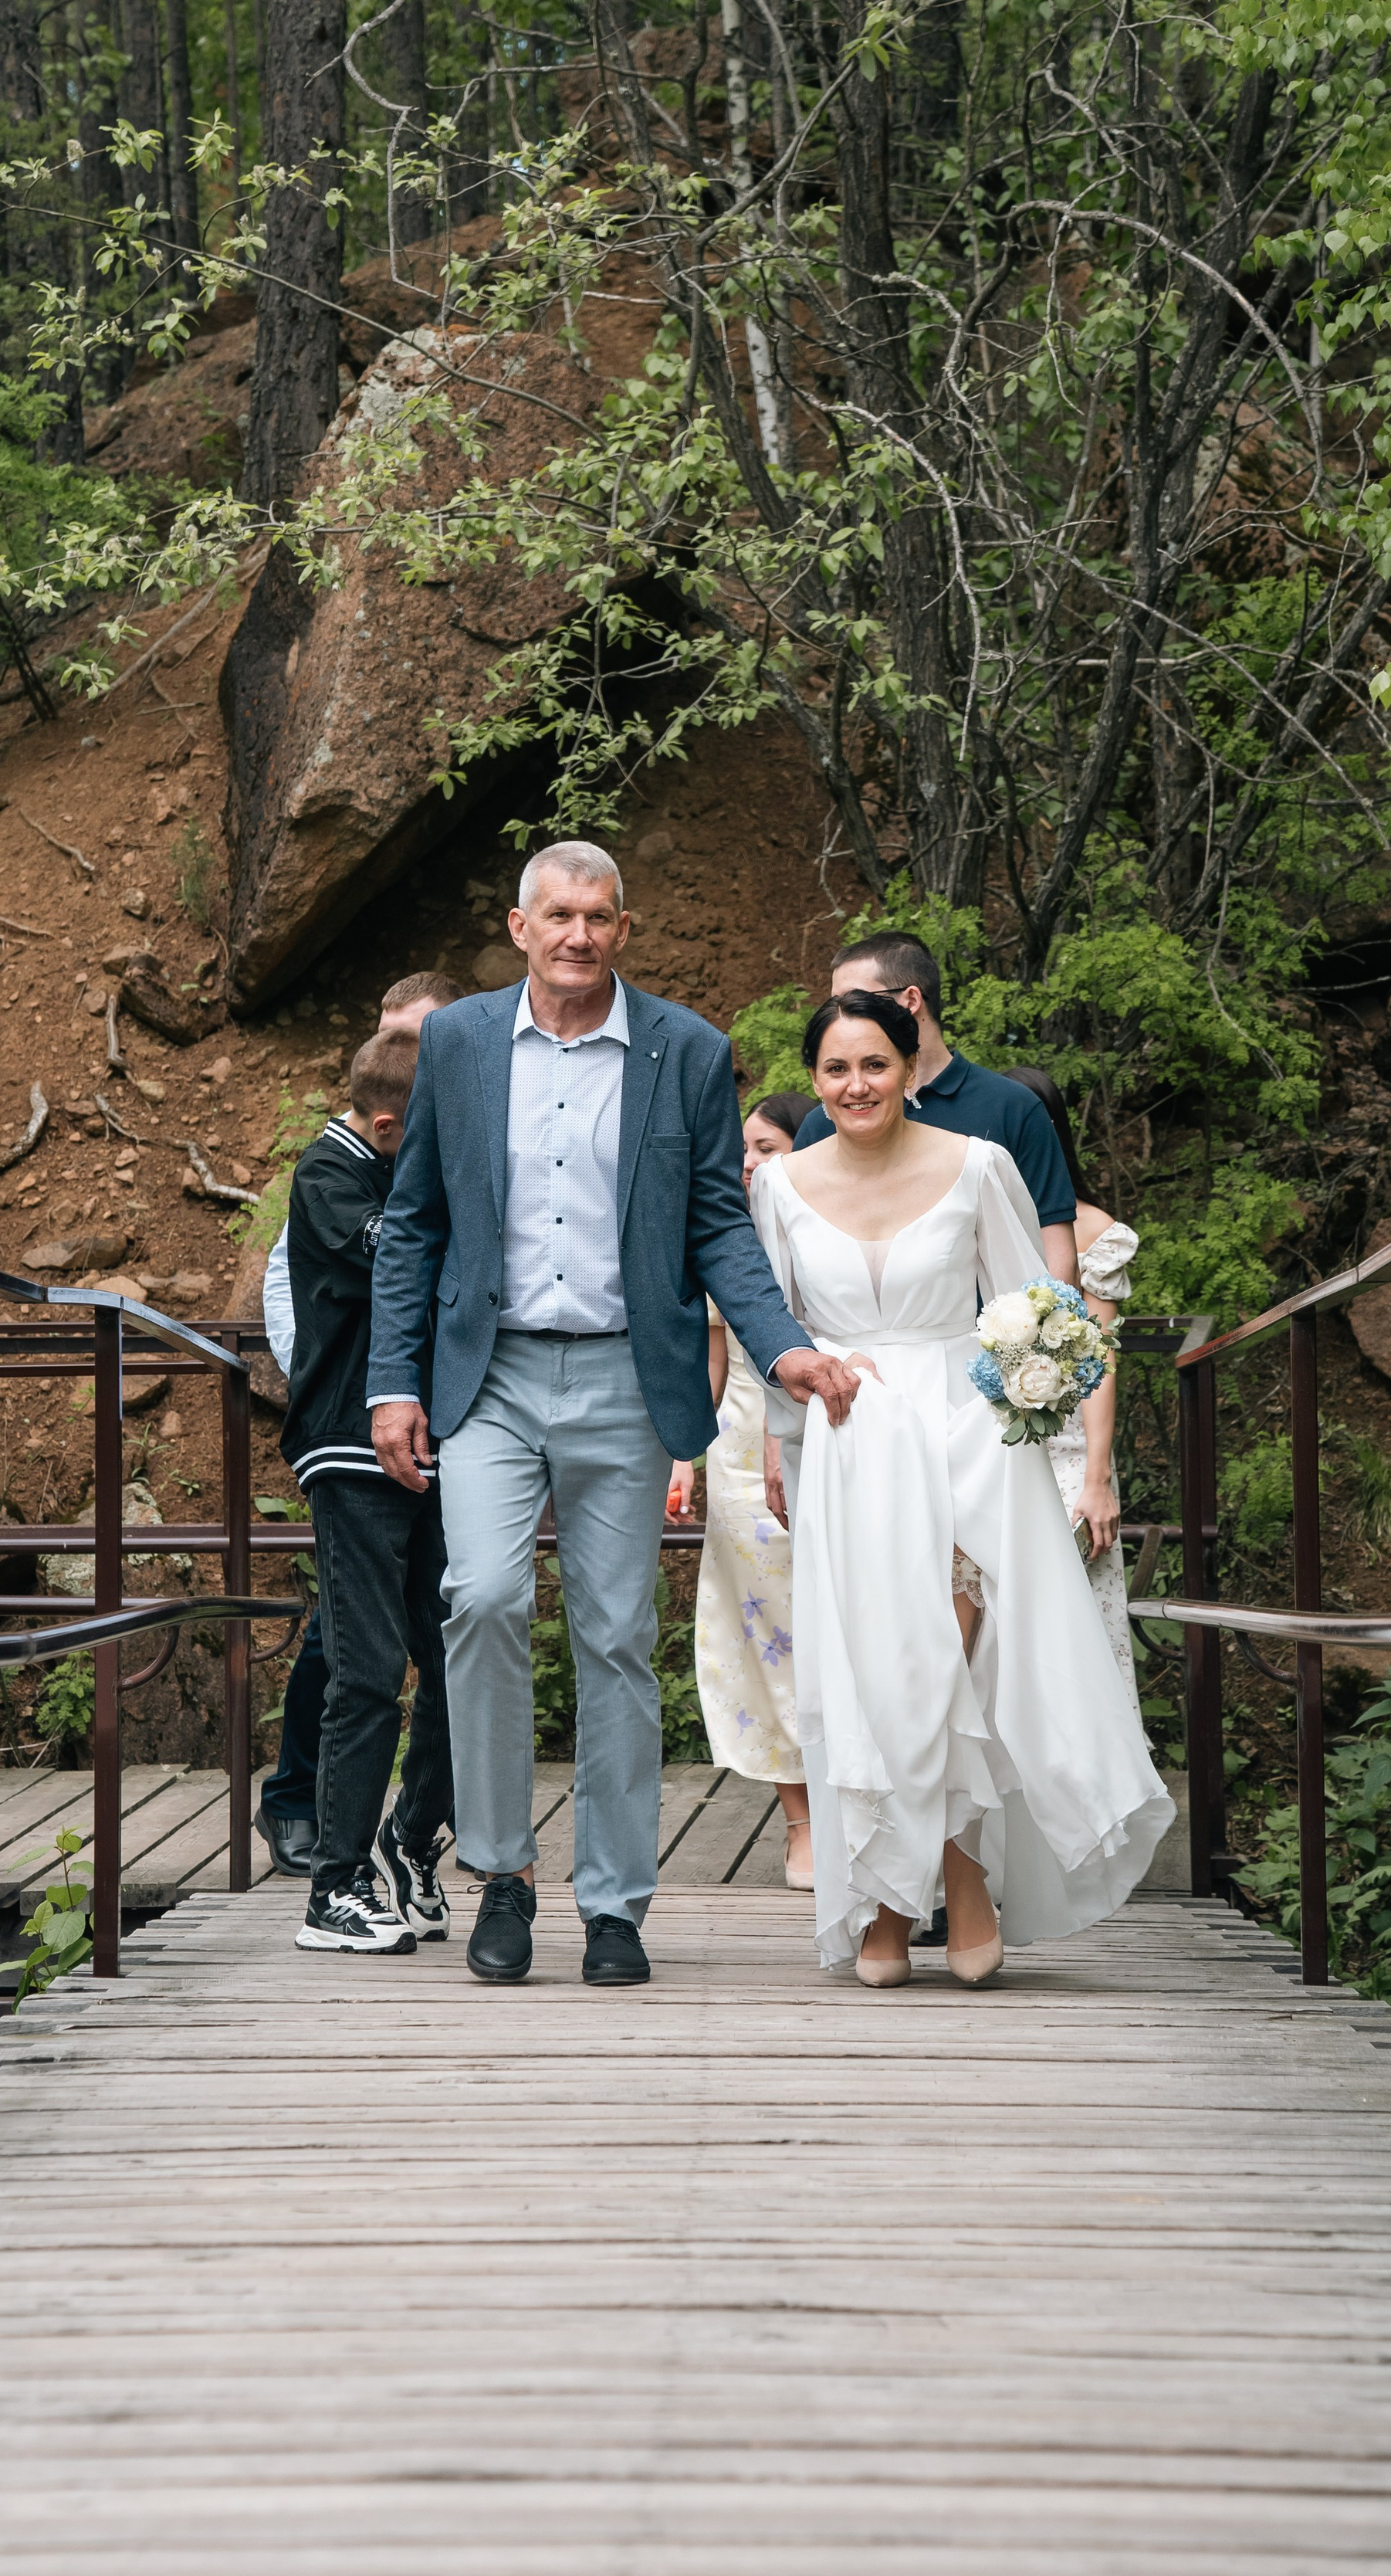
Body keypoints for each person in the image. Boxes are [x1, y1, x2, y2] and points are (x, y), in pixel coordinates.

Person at [367, 842, 863, 1991]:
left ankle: (615, 1905)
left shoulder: (687, 1052)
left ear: (623, 931)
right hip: (487, 1375)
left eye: (599, 916)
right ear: (520, 927)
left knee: (613, 1638)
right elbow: (417, 1221)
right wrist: (395, 1382)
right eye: (559, 916)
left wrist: (784, 1345)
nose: (579, 934)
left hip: (625, 1380)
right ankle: (500, 1873)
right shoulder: (458, 1042)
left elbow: (716, 1228)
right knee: (481, 1597)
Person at [751, 988, 1172, 1990]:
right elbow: (773, 1329)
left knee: (945, 1656)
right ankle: (927, 1880)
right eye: (836, 1070)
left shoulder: (978, 1165)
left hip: (963, 1438)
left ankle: (925, 1893)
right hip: (847, 1443)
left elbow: (1037, 1309)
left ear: (909, 1068)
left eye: (876, 1065)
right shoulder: (780, 1186)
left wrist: (1033, 1405)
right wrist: (778, 1446)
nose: (857, 1085)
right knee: (872, 1667)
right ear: (816, 1081)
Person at [254, 968, 465, 1879]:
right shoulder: (333, 1171)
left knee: (456, 1648)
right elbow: (382, 1260)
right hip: (349, 1433)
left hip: (436, 1434)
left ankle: (411, 1831)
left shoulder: (391, 1156)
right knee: (359, 1663)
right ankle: (330, 1860)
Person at [672, 1090, 817, 1887]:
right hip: (735, 1451)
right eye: (744, 1150)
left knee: (836, 1627)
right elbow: (711, 1353)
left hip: (824, 1433)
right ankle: (799, 1823)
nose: (751, 1163)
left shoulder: (837, 1216)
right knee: (763, 1634)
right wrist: (682, 1455)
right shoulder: (725, 1230)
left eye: (768, 1146)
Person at [793, 930, 1078, 1287]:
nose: (840, 1015)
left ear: (911, 999)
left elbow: (1057, 1255)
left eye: (854, 999)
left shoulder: (1012, 1107)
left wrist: (1042, 1337)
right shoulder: (823, 1122)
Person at [1004, 1065, 1140, 1701]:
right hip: (986, 1439)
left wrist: (1096, 1479)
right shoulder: (970, 1213)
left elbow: (1101, 1360)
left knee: (1073, 1618)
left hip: (1063, 1450)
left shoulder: (1092, 1229)